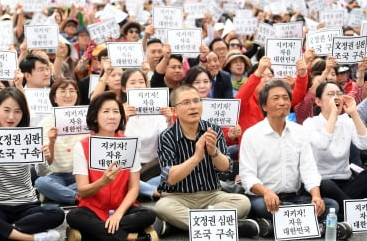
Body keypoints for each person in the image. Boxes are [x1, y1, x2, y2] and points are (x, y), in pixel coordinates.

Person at [154, 85, 259, 238]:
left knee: (243, 202)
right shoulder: (166, 136)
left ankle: (181, 226)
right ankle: (231, 225)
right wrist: (196, 157)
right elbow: (170, 178)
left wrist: (214, 152)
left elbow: (226, 169)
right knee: (162, 207)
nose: (193, 106)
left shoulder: (213, 130)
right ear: (175, 110)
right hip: (178, 197)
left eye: (196, 101)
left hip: (212, 196)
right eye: (186, 103)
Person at [239, 79, 339, 237]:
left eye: (286, 98)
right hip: (263, 197)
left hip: (293, 197)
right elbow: (247, 176)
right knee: (262, 207)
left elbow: (309, 169)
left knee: (330, 204)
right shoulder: (252, 135)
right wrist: (266, 192)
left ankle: (274, 227)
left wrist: (316, 196)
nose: (282, 102)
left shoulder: (300, 132)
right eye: (275, 98)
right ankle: (313, 226)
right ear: (264, 106)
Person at [0, 87, 65, 240]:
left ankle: (1, 232)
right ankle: (31, 238)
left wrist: (44, 157)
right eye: (6, 110)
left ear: (23, 113)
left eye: (18, 111)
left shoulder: (28, 136)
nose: (11, 116)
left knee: (57, 213)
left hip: (27, 204)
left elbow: (43, 173)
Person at [66, 92, 157, 241]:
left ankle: (96, 234)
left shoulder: (129, 144)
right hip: (92, 209)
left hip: (123, 208)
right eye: (106, 111)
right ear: (95, 116)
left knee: (149, 214)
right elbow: (83, 191)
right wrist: (103, 182)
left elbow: (134, 188)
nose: (112, 116)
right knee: (74, 217)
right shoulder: (82, 146)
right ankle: (130, 237)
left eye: (116, 112)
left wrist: (118, 214)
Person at [303, 81, 367, 214]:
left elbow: (364, 144)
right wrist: (333, 114)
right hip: (320, 183)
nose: (336, 97)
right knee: (325, 183)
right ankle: (353, 212)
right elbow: (322, 145)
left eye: (339, 94)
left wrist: (354, 113)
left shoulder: (347, 121)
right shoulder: (310, 124)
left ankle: (345, 210)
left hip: (345, 181)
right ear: (318, 101)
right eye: (330, 94)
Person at [34, 78, 88, 205]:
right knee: (41, 183)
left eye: (72, 91)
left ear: (77, 95)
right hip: (56, 176)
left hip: (82, 174)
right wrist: (51, 142)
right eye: (63, 91)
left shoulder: (86, 120)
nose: (68, 95)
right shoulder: (46, 123)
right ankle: (78, 198)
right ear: (54, 98)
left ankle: (60, 195)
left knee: (97, 179)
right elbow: (47, 162)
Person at [121, 68, 172, 199]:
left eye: (141, 81)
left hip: (153, 167)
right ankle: (153, 191)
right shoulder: (117, 111)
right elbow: (115, 142)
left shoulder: (157, 109)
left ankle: (140, 188)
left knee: (174, 171)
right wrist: (124, 120)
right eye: (132, 82)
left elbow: (167, 140)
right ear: (123, 88)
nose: (138, 86)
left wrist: (169, 120)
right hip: (128, 168)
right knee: (121, 178)